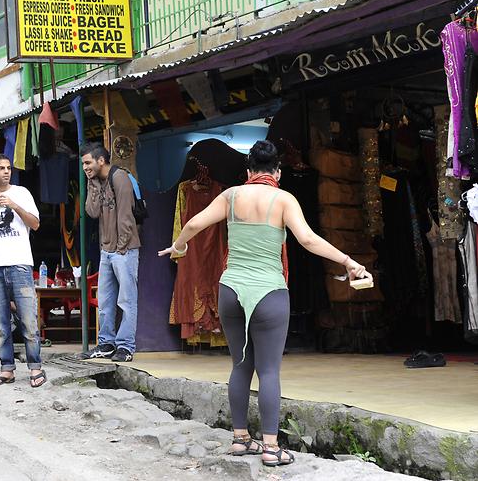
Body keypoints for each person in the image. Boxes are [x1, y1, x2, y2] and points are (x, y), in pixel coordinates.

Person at [158, 140, 369, 467]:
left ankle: (241, 439)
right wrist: (348, 261)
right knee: (269, 370)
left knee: (240, 366)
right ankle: (271, 447)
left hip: (230, 290)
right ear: (278, 172)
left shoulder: (230, 196)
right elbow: (308, 240)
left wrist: (179, 247)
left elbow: (195, 224)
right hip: (269, 292)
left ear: (248, 171)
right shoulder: (284, 199)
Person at [0, 154, 46, 388]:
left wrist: (14, 205)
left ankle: (35, 367)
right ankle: (6, 369)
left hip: (20, 264)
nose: (6, 172)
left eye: (8, 168)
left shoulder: (22, 193)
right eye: (1, 168)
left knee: (28, 319)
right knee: (0, 322)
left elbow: (35, 224)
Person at [79, 143, 141, 362]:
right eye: (83, 163)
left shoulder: (120, 178)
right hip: (107, 251)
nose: (85, 167)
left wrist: (121, 248)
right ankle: (106, 344)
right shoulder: (98, 181)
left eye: (88, 163)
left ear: (101, 160)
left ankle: (126, 346)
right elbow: (92, 211)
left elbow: (126, 218)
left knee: (126, 300)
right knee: (105, 302)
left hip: (124, 250)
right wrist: (91, 183)